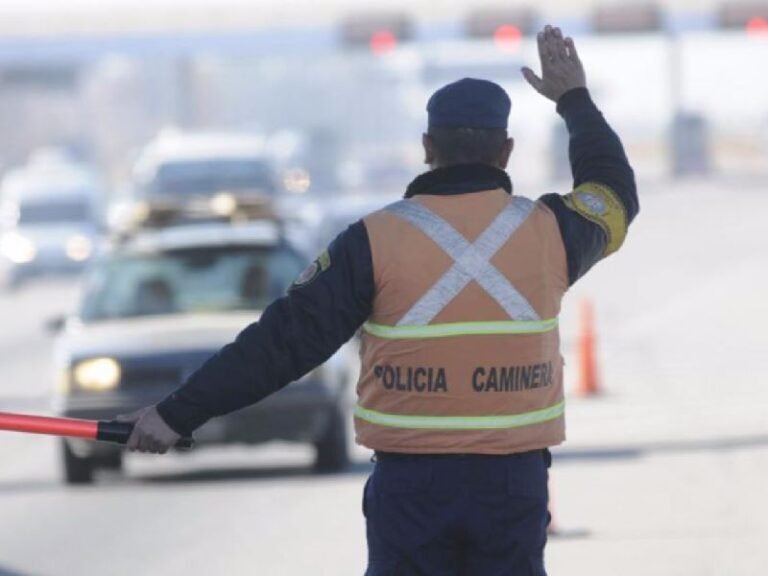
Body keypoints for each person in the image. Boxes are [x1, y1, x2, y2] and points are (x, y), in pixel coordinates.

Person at [118, 25, 638, 575]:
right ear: (505, 151)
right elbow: (613, 195)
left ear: (427, 148)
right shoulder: (549, 234)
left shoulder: (372, 241)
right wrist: (574, 101)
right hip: (512, 484)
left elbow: (283, 343)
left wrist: (178, 413)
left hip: (411, 488)